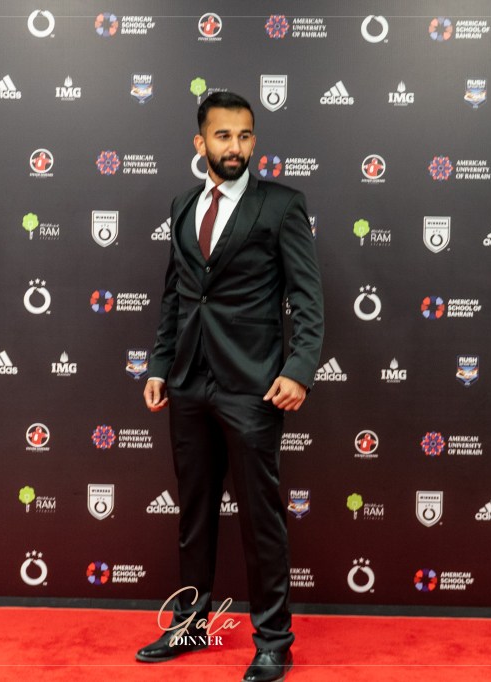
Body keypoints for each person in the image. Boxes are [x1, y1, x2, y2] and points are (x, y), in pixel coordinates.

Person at [136, 92, 324, 682]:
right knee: (195, 514)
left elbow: (307, 297)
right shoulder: (183, 204)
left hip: (252, 386)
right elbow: (176, 294)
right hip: (188, 382)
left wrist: (299, 369)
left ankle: (274, 640)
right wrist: (159, 364)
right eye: (223, 136)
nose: (235, 146)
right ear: (201, 143)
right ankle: (190, 624)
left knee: (261, 519)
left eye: (245, 136)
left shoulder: (282, 205)